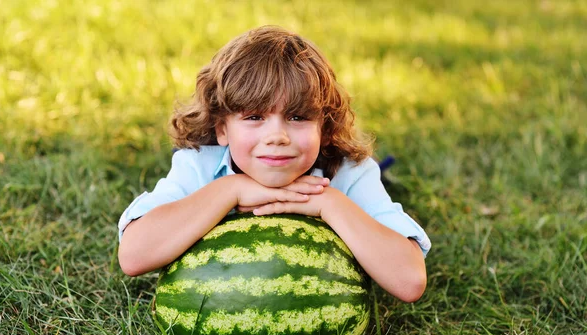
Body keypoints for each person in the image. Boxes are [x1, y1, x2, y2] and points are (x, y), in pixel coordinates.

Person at [118, 26, 431, 302]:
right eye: (254, 117)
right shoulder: (199, 165)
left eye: (298, 117)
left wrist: (328, 202)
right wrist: (232, 189)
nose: (277, 136)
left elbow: (410, 281)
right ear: (222, 128)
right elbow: (133, 256)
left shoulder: (348, 172)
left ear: (323, 127)